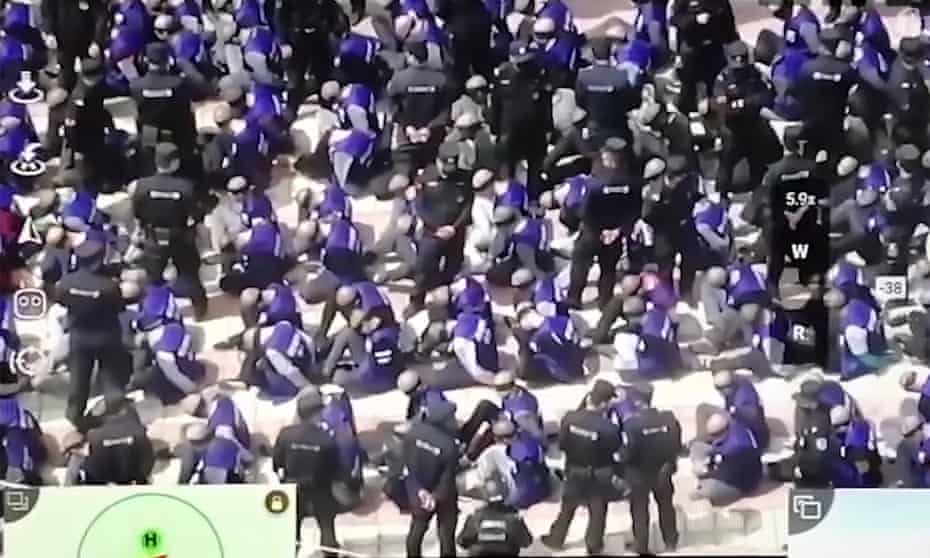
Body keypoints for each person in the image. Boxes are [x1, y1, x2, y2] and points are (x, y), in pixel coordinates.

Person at [54, 240, 132, 431]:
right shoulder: (108, 286)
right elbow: (119, 308)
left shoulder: (66, 283)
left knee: (79, 378)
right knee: (110, 375)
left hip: (80, 338)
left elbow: (61, 302)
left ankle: (75, 416)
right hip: (106, 336)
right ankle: (115, 411)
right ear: (98, 260)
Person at [541, 381, 623, 555]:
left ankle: (556, 538)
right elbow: (615, 449)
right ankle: (593, 546)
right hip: (599, 473)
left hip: (574, 470)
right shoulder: (608, 428)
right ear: (603, 403)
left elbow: (562, 444)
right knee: (598, 510)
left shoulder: (570, 418)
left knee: (568, 507)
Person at [131, 142, 208, 317]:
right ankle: (199, 309)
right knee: (189, 274)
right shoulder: (186, 187)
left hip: (153, 239)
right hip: (180, 238)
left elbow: (137, 213)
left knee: (152, 278)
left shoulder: (141, 186)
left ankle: (153, 311)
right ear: (175, 162)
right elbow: (195, 214)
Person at [566, 138, 642, 308]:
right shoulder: (632, 183)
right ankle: (604, 301)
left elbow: (585, 212)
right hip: (615, 233)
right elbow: (635, 210)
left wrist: (599, 231)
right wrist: (616, 230)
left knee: (580, 263)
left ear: (608, 156)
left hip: (593, 231)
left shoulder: (595, 184)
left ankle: (574, 298)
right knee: (608, 268)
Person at [274, 388, 345, 556]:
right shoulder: (326, 439)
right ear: (317, 413)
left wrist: (282, 476)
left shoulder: (286, 434)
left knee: (292, 528)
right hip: (320, 488)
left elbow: (277, 461)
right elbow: (335, 468)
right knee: (327, 527)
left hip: (292, 488)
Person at [407, 142, 473, 314]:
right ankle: (417, 301)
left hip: (455, 232)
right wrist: (436, 228)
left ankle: (447, 302)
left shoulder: (464, 178)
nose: (448, 169)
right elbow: (419, 206)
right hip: (432, 231)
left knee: (452, 268)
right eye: (445, 164)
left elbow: (467, 205)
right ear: (438, 161)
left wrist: (455, 227)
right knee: (423, 268)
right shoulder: (425, 178)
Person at [619, 395, 683, 555]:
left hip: (639, 474)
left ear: (639, 403)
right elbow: (677, 446)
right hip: (664, 471)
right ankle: (671, 542)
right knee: (666, 507)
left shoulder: (632, 426)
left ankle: (641, 545)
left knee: (639, 511)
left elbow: (628, 453)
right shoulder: (669, 419)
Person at [492, 40, 552, 200]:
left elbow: (546, 104)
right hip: (510, 132)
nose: (522, 65)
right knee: (508, 168)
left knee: (535, 167)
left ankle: (533, 198)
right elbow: (496, 105)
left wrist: (548, 128)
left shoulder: (538, 73)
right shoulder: (502, 74)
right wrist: (495, 130)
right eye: (519, 62)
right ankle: (511, 198)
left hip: (535, 131)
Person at [403, 399, 461, 558]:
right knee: (446, 534)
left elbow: (406, 463)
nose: (454, 421)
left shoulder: (412, 433)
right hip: (443, 496)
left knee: (416, 531)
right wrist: (435, 497)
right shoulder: (449, 446)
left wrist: (419, 491)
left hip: (418, 491)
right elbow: (447, 479)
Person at [275, 0, 348, 112]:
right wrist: (283, 42)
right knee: (295, 79)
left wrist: (339, 29)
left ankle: (327, 112)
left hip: (320, 38)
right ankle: (290, 112)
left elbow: (333, 9)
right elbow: (280, 18)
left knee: (324, 76)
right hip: (297, 39)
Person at [64, 396, 155, 485]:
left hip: (99, 473)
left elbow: (74, 440)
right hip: (136, 470)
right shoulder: (134, 409)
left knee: (77, 453)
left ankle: (67, 490)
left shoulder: (95, 409)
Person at [690, 413, 763, 505]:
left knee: (709, 490)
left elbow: (725, 474)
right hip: (731, 464)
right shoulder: (736, 426)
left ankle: (702, 489)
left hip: (741, 481)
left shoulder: (733, 449)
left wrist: (705, 470)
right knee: (697, 446)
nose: (712, 438)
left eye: (715, 435)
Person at [456, 477, 534, 556]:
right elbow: (526, 542)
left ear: (485, 493)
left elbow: (461, 541)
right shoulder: (514, 519)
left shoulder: (475, 517)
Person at [176, 422, 255, 484]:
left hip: (218, 484)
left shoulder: (200, 450)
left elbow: (186, 472)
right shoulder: (229, 441)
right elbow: (249, 459)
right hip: (236, 480)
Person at [712, 369, 770, 451]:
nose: (718, 391)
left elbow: (751, 417)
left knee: (718, 421)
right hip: (738, 431)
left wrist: (733, 413)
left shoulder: (744, 397)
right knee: (704, 409)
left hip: (753, 440)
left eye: (720, 388)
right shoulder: (732, 390)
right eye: (717, 388)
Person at [895, 414, 930, 488]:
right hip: (914, 485)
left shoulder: (903, 443)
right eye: (922, 428)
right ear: (916, 431)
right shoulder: (912, 444)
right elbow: (922, 459)